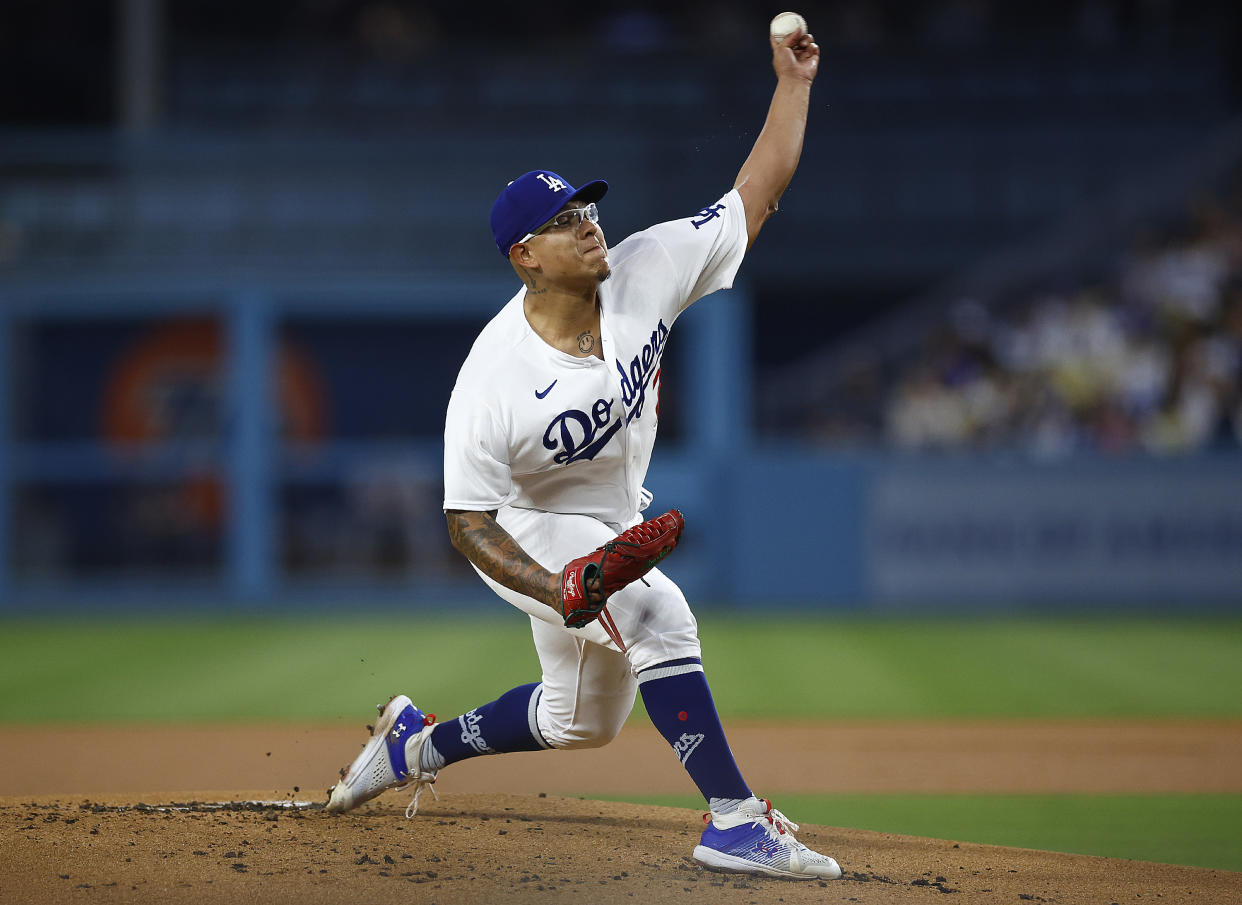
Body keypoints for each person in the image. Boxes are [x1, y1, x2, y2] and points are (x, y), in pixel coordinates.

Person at [326, 21, 840, 881]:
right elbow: (467, 522)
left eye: (589, 209)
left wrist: (794, 85)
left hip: (604, 518)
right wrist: (553, 583)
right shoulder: (492, 380)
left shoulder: (648, 266)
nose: (591, 227)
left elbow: (757, 192)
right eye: (566, 222)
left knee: (582, 722)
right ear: (524, 256)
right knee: (657, 613)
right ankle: (735, 821)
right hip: (524, 530)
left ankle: (417, 745)